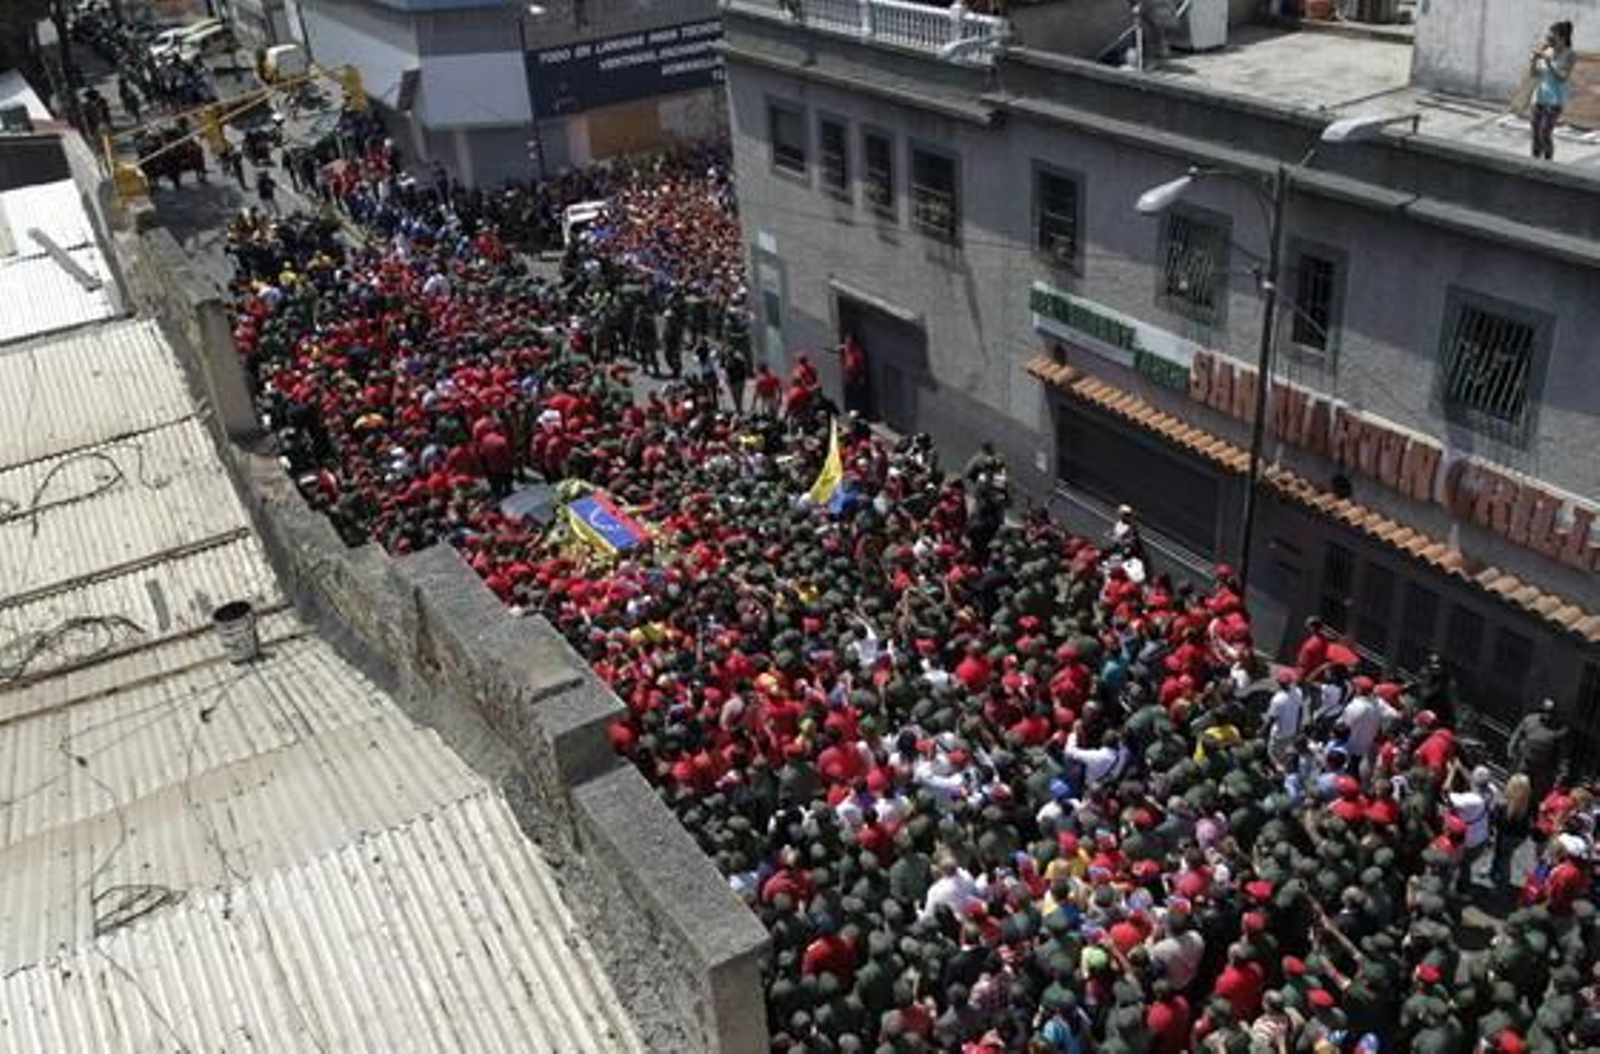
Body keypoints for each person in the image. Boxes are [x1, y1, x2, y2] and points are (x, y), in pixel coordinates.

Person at [1530, 20, 1576, 160]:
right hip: (1539, 96)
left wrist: (1549, 62)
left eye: (1552, 38)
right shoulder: (1547, 50)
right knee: (1535, 133)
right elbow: (1534, 74)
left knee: (1545, 133)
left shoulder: (1570, 55)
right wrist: (1533, 61)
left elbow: (1562, 78)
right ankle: (1534, 162)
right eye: (1548, 37)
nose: (1548, 40)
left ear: (1562, 38)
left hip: (1555, 101)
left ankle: (1548, 164)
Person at [1508, 698, 1567, 803]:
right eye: (1545, 712)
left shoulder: (1559, 730)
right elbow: (1517, 735)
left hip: (1541, 768)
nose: (1547, 715)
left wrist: (1558, 771)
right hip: (1524, 761)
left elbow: (1559, 753)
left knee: (1533, 795)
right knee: (1517, 786)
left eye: (1550, 713)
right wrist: (1511, 750)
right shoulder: (1530, 720)